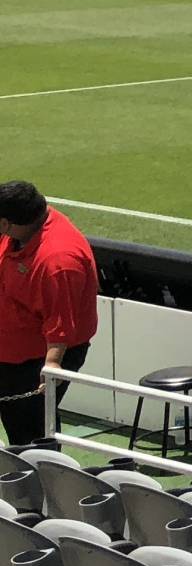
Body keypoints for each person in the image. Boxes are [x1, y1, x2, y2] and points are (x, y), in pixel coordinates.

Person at [0, 183, 98, 448]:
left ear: (8, 224)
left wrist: (52, 366)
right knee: (16, 420)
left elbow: (61, 323)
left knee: (30, 428)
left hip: (35, 359)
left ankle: (43, 483)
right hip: (12, 349)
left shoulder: (58, 260)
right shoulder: (23, 229)